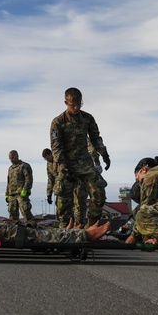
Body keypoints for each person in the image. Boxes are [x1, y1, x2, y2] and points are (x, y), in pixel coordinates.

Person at [49, 87, 111, 227]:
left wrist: (104, 153)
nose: (76, 107)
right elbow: (56, 147)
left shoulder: (87, 118)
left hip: (85, 163)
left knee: (99, 193)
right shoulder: (58, 122)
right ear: (66, 103)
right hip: (67, 164)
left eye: (79, 104)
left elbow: (95, 137)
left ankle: (90, 227)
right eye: (73, 105)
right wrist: (63, 167)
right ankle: (64, 230)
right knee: (64, 200)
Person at [5, 150, 34, 221]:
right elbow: (9, 182)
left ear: (17, 156)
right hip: (12, 194)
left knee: (26, 212)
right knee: (12, 214)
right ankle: (15, 230)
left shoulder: (24, 166)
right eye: (10, 158)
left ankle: (33, 227)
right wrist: (7, 194)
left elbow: (28, 179)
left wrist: (25, 189)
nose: (11, 160)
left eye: (13, 158)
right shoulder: (10, 168)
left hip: (21, 193)